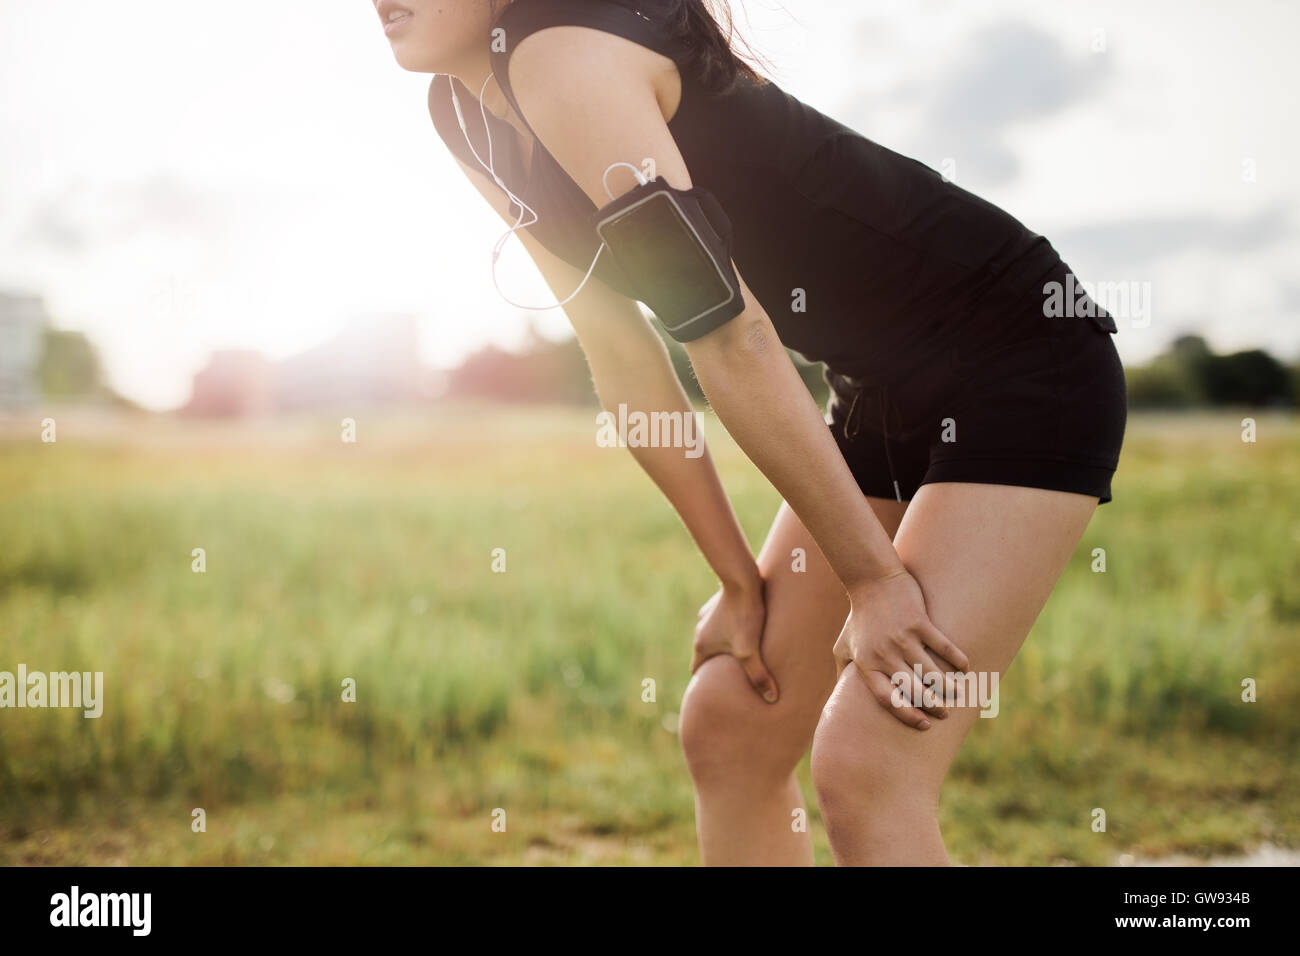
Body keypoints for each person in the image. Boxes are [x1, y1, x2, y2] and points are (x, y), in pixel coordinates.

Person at [373, 0, 1128, 865]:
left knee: (870, 761)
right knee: (732, 723)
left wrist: (874, 583)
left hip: (1018, 352)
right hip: (880, 387)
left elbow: (730, 335)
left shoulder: (566, 58)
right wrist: (738, 578)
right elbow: (625, 359)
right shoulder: (462, 109)